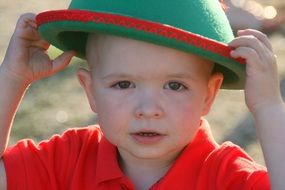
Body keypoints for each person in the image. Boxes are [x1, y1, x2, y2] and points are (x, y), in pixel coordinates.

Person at [0, 0, 285, 189]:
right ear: (91, 91)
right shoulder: (69, 159)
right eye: (123, 84)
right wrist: (12, 79)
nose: (148, 109)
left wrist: (268, 107)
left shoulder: (225, 176)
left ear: (209, 95)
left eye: (175, 85)